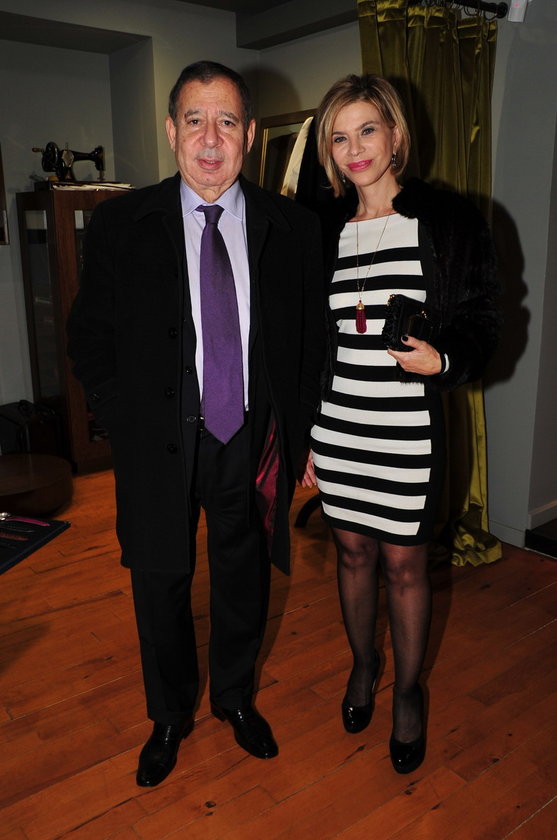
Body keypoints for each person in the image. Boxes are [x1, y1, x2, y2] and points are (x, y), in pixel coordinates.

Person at [67, 60, 324, 787]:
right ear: (172, 130)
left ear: (249, 134)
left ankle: (235, 697)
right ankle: (169, 714)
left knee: (244, 575)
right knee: (160, 580)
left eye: (227, 122)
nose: (210, 139)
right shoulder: (121, 224)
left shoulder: (294, 229)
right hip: (157, 442)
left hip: (250, 436)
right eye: (194, 120)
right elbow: (88, 337)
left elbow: (312, 344)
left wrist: (301, 435)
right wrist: (123, 422)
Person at [298, 74, 499, 774]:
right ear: (326, 150)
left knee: (405, 566)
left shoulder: (444, 221)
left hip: (406, 429)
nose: (354, 148)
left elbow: (483, 320)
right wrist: (305, 435)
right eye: (338, 136)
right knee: (352, 555)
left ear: (395, 134)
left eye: (366, 130)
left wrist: (442, 359)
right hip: (337, 426)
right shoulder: (320, 228)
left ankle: (408, 694)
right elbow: (303, 343)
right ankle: (364, 665)